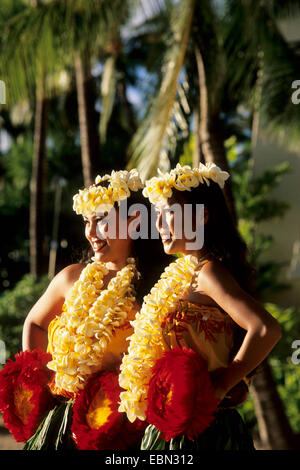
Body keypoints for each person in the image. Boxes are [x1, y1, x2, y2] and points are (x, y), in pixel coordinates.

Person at [118, 163, 282, 450]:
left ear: (202, 215)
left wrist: (221, 386)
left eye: (169, 214)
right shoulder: (181, 274)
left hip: (204, 431)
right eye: (158, 215)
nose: (159, 225)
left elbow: (266, 328)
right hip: (171, 425)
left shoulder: (209, 273)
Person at [19, 168, 169, 450]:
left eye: (101, 220)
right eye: (88, 221)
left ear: (134, 221)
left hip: (120, 429)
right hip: (61, 421)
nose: (90, 232)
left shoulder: (155, 291)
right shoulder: (71, 277)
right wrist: (39, 382)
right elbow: (35, 324)